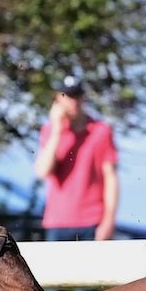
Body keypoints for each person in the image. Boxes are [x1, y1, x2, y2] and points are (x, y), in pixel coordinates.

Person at [33, 74, 119, 245]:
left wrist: (109, 220)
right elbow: (43, 171)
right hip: (58, 222)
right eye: (67, 96)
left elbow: (111, 178)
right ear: (58, 99)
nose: (73, 102)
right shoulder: (50, 130)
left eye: (77, 96)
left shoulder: (101, 130)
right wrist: (57, 131)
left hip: (92, 221)